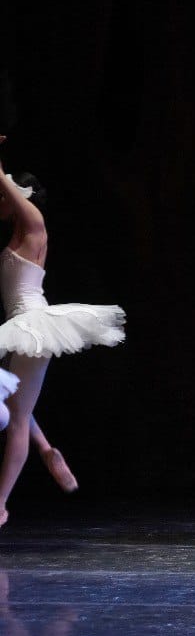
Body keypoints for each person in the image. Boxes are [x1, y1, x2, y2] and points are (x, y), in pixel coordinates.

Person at [0, 139, 125, 528]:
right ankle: (46, 450)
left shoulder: (33, 222)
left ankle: (0, 504)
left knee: (17, 417)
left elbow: (6, 186)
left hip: (33, 324)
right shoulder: (21, 229)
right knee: (16, 401)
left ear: (20, 196)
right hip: (21, 324)